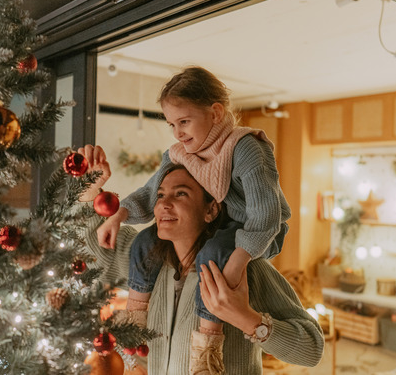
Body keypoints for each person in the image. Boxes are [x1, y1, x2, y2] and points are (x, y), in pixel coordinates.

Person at [96, 66, 291, 373]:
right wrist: (118, 215)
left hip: (253, 230)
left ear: (215, 113)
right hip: (217, 228)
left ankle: (206, 351)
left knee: (213, 257)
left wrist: (237, 264)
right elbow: (150, 193)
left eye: (184, 121)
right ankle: (134, 326)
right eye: (172, 124)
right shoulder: (179, 153)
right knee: (147, 239)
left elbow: (267, 215)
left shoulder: (246, 148)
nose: (178, 132)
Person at [77, 145, 323, 375]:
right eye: (160, 195)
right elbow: (94, 249)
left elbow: (312, 349)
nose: (164, 204)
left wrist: (246, 318)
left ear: (211, 210)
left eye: (181, 194)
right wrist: (90, 191)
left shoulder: (241, 269)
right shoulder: (148, 260)